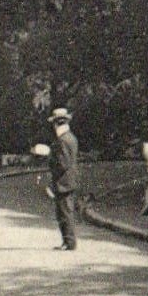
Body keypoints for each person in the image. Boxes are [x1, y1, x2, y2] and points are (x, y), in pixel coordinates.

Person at [47, 107, 79, 250]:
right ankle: (68, 241)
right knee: (65, 211)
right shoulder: (70, 137)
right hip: (69, 180)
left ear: (56, 123)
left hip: (63, 181)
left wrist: (50, 158)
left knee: (64, 212)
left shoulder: (62, 140)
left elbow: (62, 163)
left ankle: (69, 242)